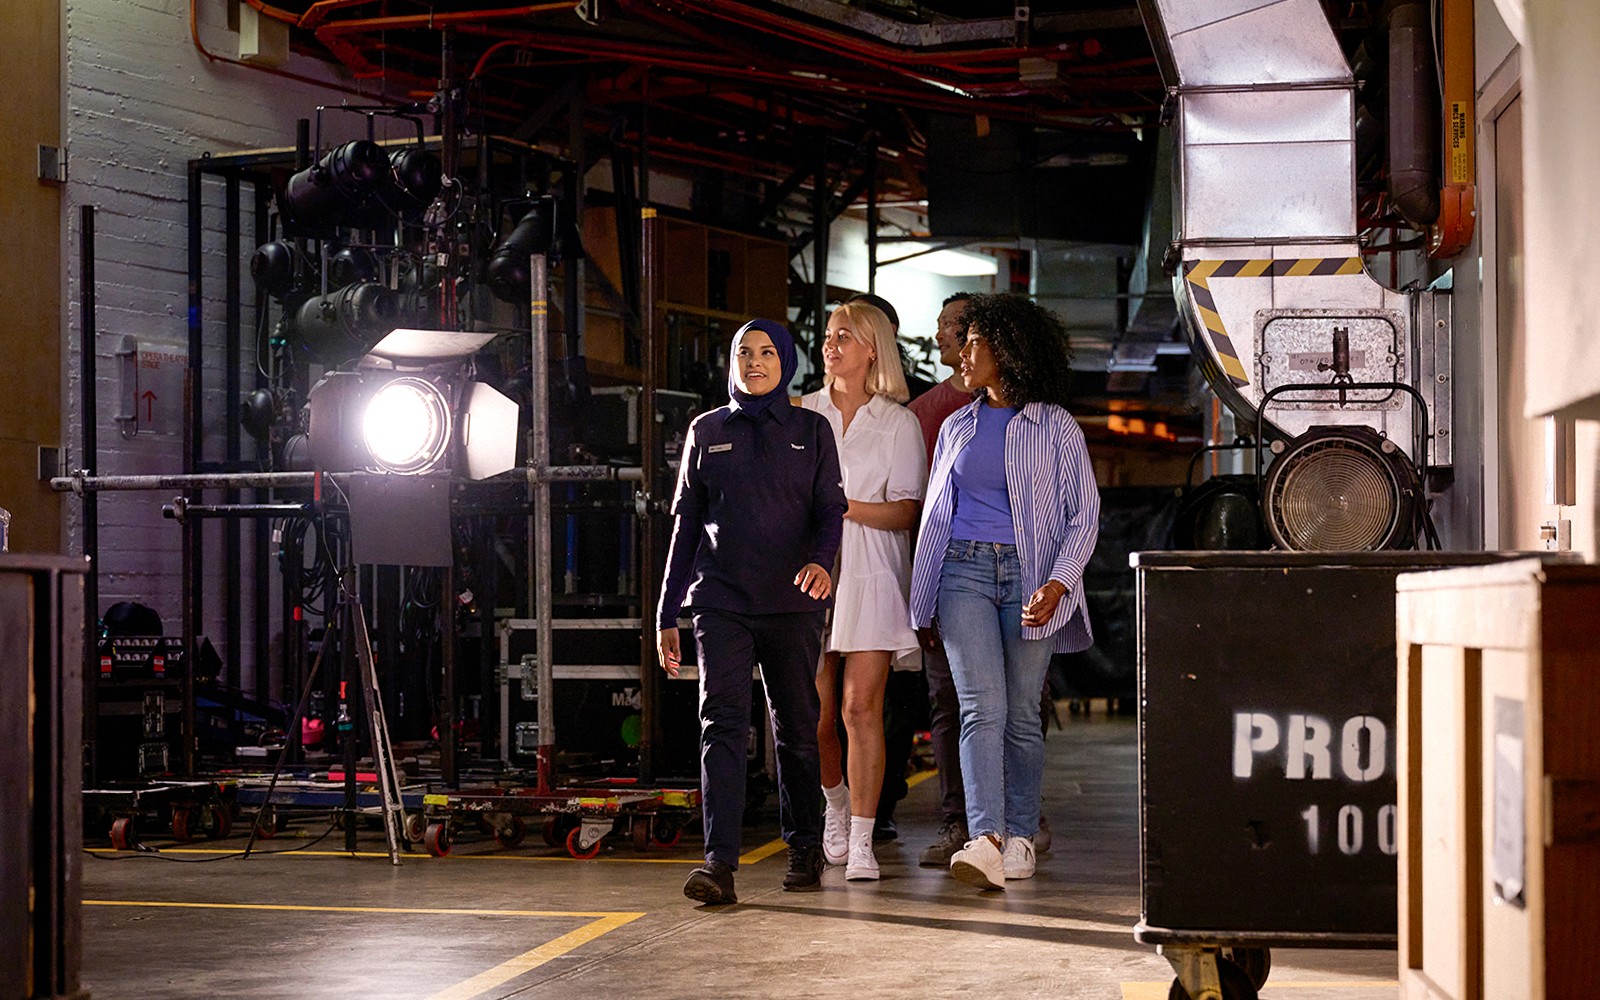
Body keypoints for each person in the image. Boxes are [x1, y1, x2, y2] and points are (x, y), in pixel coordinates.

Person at [908, 293, 1099, 892]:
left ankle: (1020, 836)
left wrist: (1061, 581)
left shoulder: (1055, 426)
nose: (961, 354)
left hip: (1031, 576)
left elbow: (1083, 515)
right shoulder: (956, 428)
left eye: (973, 343)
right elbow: (939, 514)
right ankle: (985, 838)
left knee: (1020, 715)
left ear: (1007, 351)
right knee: (978, 708)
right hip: (960, 572)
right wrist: (923, 595)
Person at [656, 318, 848, 905]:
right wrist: (666, 612)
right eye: (744, 352)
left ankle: (805, 847)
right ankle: (719, 864)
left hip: (792, 603)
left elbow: (829, 511)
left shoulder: (812, 431)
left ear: (785, 362)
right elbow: (685, 527)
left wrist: (821, 563)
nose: (755, 361)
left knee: (795, 728)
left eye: (767, 352)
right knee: (721, 724)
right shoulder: (706, 429)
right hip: (721, 603)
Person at [799, 301, 926, 881]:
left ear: (872, 348)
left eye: (844, 335)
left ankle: (863, 838)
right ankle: (835, 805)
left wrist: (841, 506)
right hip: (811, 575)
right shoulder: (803, 414)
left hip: (873, 574)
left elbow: (906, 510)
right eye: (828, 335)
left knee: (859, 709)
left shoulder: (898, 422)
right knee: (820, 715)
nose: (831, 344)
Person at [904, 291, 974, 867]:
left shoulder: (1028, 409)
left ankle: (1018, 818)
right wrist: (921, 592)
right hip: (946, 571)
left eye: (950, 325)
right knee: (946, 701)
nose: (941, 336)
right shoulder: (926, 412)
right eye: (941, 325)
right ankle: (958, 822)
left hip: (1012, 575)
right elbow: (918, 510)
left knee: (1017, 703)